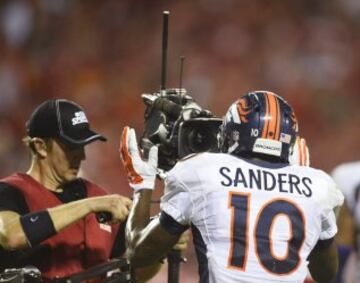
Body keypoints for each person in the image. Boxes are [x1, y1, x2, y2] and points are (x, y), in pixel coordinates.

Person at [120, 91, 344, 283]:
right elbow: (326, 273)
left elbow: (138, 252)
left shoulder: (203, 170)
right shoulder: (318, 185)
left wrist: (143, 184)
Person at [0, 99, 158, 282]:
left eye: (83, 146)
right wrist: (90, 205)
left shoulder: (99, 195)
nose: (82, 156)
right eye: (71, 147)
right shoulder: (10, 192)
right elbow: (11, 235)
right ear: (40, 146)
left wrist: (162, 241)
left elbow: (139, 273)